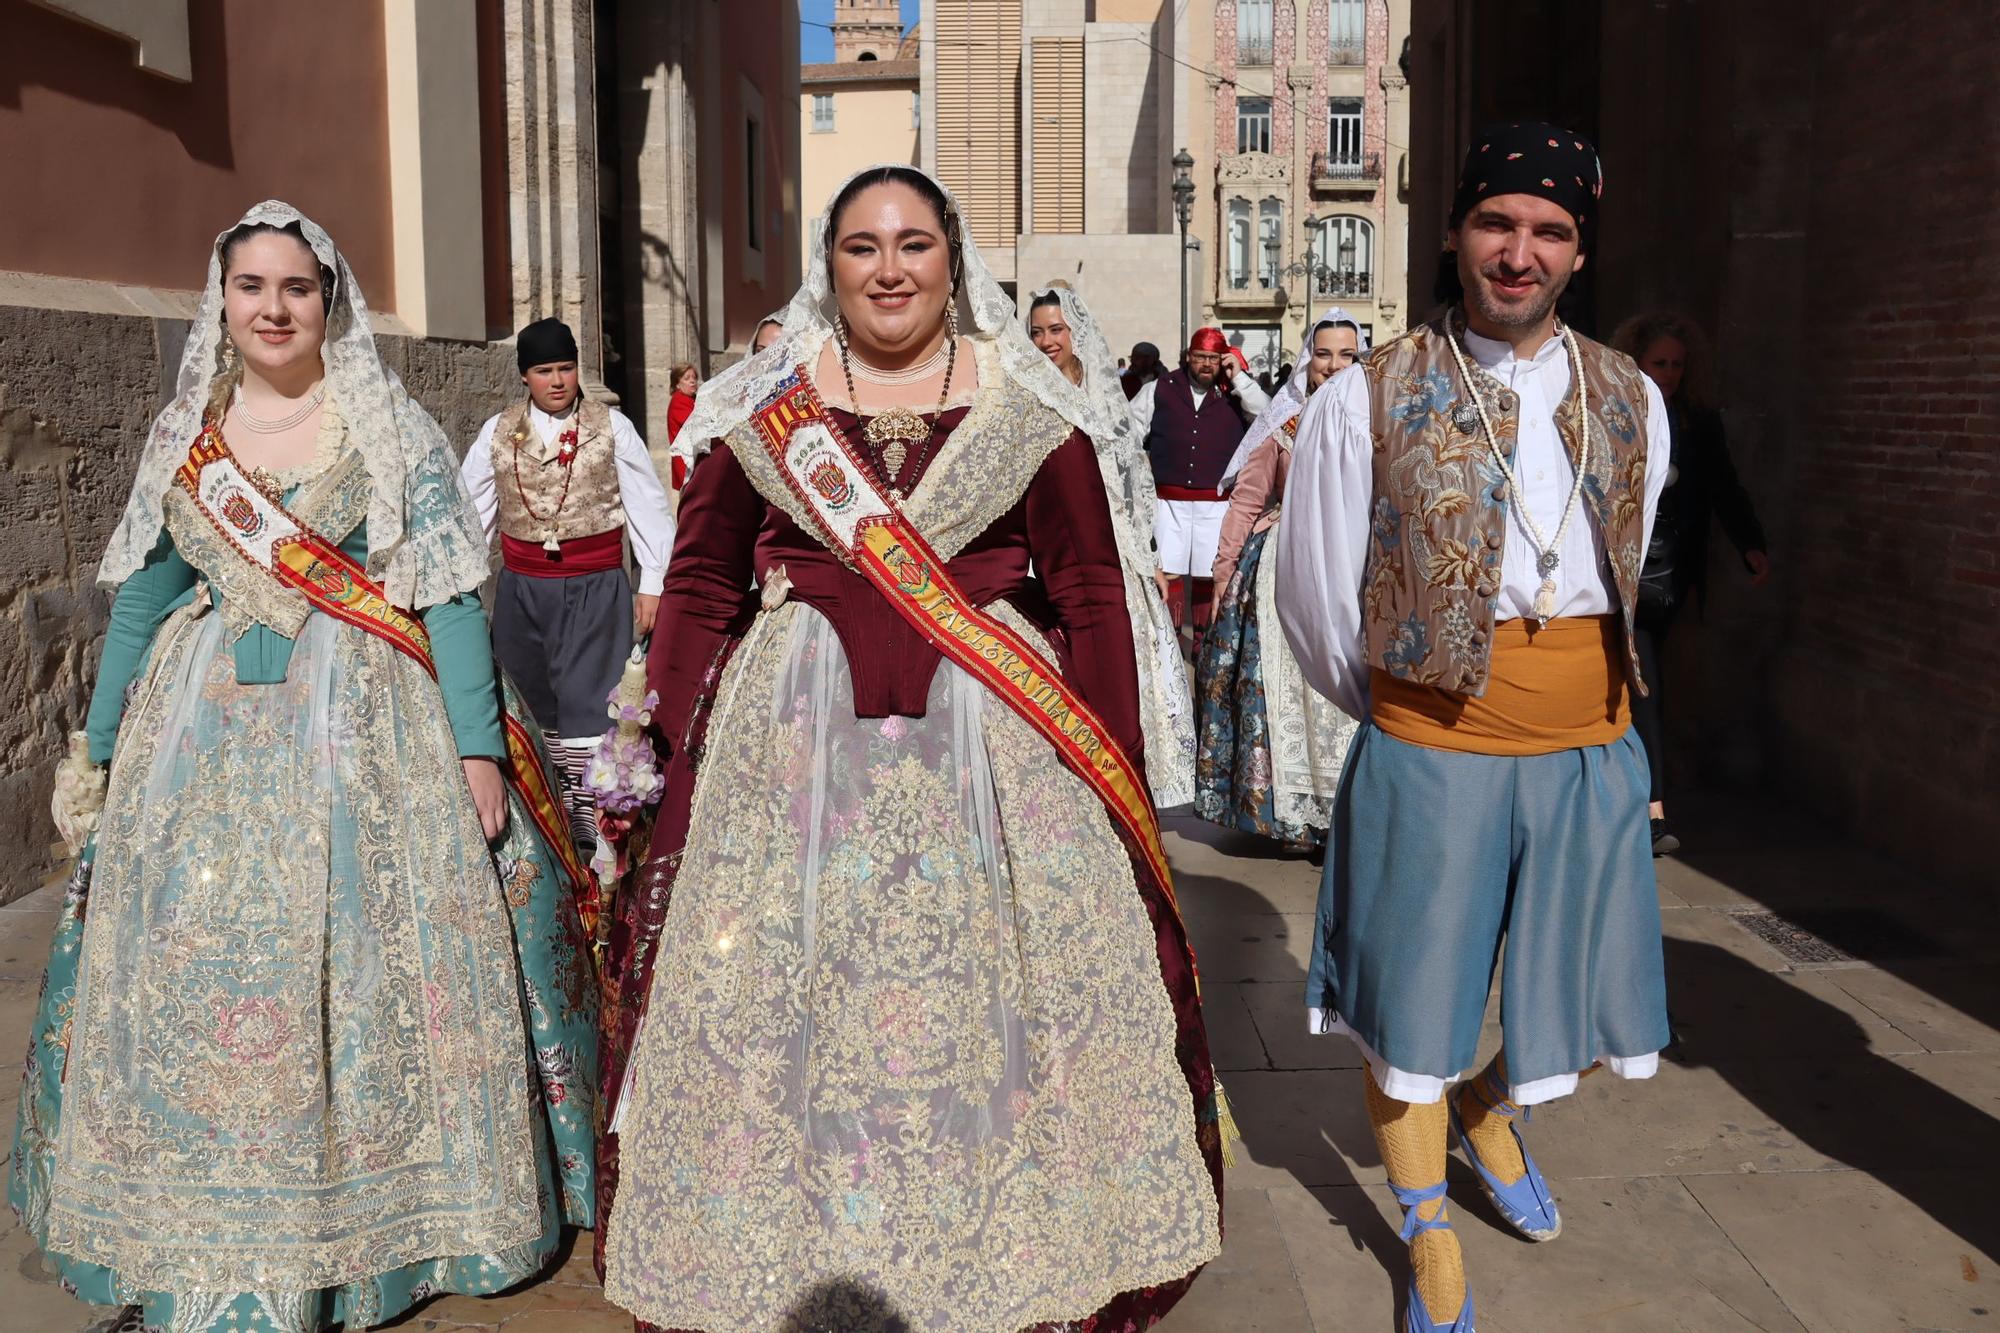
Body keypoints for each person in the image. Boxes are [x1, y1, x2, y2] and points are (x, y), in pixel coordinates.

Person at [595, 165, 1226, 1332]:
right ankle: (790, 1244)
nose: (889, 270)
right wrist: (655, 747)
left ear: (952, 257)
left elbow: (1086, 590)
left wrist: (1115, 775)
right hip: (793, 752)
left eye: (913, 245)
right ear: (828, 266)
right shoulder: (761, 404)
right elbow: (696, 583)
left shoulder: (1032, 404)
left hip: (992, 742)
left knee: (993, 1010)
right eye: (861, 248)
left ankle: (1006, 1242)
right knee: (791, 1008)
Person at [17, 202, 598, 1332]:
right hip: (197, 749)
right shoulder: (185, 433)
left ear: (328, 301)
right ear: (220, 303)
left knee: (357, 958)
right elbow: (143, 592)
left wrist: (478, 750)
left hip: (365, 738)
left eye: (295, 286)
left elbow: (446, 599)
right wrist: (96, 743)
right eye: (252, 287)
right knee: (197, 963)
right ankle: (191, 1218)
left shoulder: (388, 426)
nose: (273, 308)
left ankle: (377, 1220)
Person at [1276, 124, 1672, 1332]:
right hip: (1434, 741)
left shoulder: (1631, 393)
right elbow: (1313, 594)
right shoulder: (1365, 393)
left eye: (1548, 232)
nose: (1519, 251)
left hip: (1588, 739)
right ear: (1453, 234)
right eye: (1496, 223)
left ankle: (1491, 1111)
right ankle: (1425, 1227)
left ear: (1577, 253)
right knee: (1410, 1006)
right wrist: (1412, 710)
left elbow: (1628, 554)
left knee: (1597, 995)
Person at [459, 318, 677, 854]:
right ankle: (545, 822)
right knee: (530, 703)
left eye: (566, 368)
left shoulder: (612, 427)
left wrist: (652, 582)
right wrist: (459, 581)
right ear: (524, 376)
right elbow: (471, 511)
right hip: (523, 593)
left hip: (593, 590)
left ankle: (595, 831)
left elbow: (646, 505)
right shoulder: (498, 432)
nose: (557, 381)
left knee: (588, 704)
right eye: (543, 371)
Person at [1195, 309, 1367, 852]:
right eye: (1323, 354)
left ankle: (1348, 812)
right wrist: (1224, 572)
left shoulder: (1377, 419)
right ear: (1306, 358)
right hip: (1282, 566)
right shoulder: (1284, 421)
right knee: (1283, 688)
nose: (1333, 366)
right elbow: (1247, 498)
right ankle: (1289, 815)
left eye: (1347, 354)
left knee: (1345, 687)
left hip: (1353, 565)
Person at [1025, 281, 1199, 807]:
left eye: (1056, 329)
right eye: (1036, 332)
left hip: (1116, 549)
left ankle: (1129, 788)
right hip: (1051, 552)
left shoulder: (1103, 394)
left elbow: (1131, 479)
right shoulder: (1024, 393)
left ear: (1076, 333)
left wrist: (1148, 559)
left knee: (1130, 675)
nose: (1047, 341)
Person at [1611, 310, 1771, 855]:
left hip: (1673, 576)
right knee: (1645, 687)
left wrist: (1750, 542)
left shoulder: (1697, 419)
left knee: (1646, 689)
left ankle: (1635, 796)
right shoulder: (1613, 415)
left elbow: (1725, 485)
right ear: (1634, 361)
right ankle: (1653, 808)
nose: (1671, 374)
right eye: (1660, 363)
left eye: (1678, 364)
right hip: (1622, 575)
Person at [1129, 328, 1271, 636]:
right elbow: (1128, 430)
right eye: (1200, 357)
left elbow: (1268, 414)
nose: (1206, 364)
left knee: (1211, 574)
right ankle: (1171, 641)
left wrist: (1239, 377)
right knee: (1168, 571)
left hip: (1216, 502)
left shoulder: (1235, 391)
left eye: (1212, 358)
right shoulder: (1161, 388)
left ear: (1223, 359)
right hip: (1168, 502)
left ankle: (1205, 647)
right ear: (1188, 357)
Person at [664, 363, 700, 489]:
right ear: (677, 384)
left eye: (694, 378)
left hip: (695, 460)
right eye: (687, 378)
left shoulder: (693, 399)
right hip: (686, 462)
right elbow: (697, 425)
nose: (692, 381)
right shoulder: (679, 400)